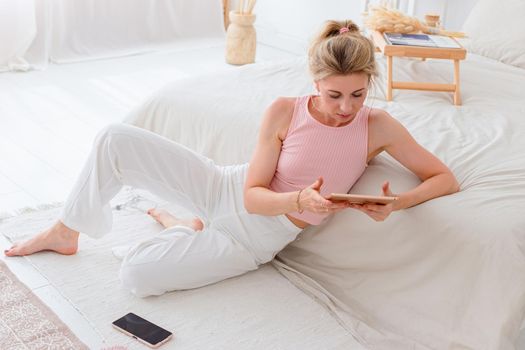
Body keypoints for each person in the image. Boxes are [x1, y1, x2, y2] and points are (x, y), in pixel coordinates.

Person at [4, 20, 459, 297]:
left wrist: (397, 204)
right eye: (334, 94)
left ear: (370, 84)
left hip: (252, 240)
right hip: (225, 187)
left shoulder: (377, 126)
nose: (346, 107)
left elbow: (444, 178)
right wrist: (300, 198)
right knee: (114, 138)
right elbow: (254, 195)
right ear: (315, 84)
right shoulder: (285, 110)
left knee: (136, 276)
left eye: (358, 94)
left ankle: (182, 227)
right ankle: (66, 230)